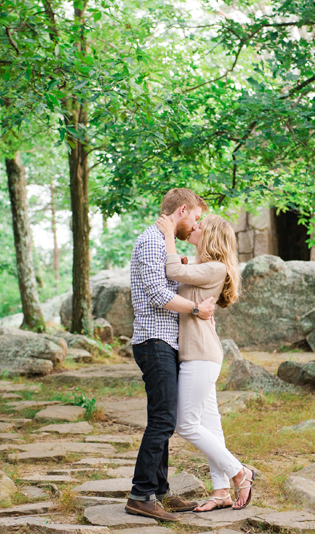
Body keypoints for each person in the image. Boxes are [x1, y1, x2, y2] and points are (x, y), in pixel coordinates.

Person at [126, 189, 216, 522]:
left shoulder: (163, 240)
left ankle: (159, 491)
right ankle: (140, 494)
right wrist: (196, 309)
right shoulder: (152, 240)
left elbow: (175, 274)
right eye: (194, 218)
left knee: (165, 418)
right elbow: (157, 294)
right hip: (154, 340)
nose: (195, 224)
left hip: (165, 341)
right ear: (181, 211)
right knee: (163, 420)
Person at [156, 213, 255, 512]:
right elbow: (182, 273)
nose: (194, 228)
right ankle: (221, 490)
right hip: (198, 353)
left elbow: (172, 270)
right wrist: (187, 262)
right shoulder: (204, 267)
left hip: (200, 355)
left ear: (210, 235)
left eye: (199, 226)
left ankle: (240, 472)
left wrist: (169, 233)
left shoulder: (215, 267)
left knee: (185, 425)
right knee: (211, 426)